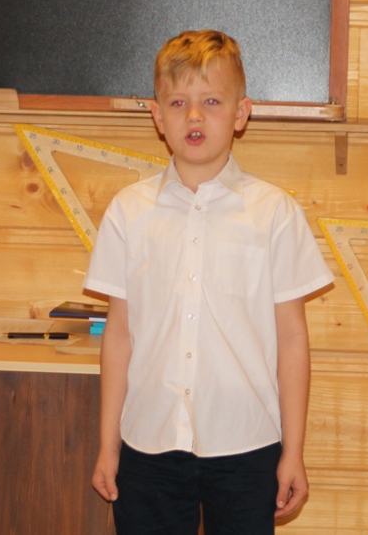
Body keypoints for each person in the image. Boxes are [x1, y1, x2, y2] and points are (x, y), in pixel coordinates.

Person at [84, 29, 334, 535]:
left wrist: (293, 451)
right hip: (148, 443)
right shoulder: (129, 212)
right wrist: (109, 445)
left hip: (247, 445)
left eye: (212, 102)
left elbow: (292, 338)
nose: (194, 116)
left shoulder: (274, 213)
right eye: (178, 103)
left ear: (241, 113)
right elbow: (120, 335)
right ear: (158, 117)